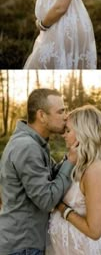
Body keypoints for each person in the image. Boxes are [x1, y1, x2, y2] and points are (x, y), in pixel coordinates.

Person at [0, 88, 78, 255]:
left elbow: (49, 176)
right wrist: (70, 162)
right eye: (60, 111)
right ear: (41, 116)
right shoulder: (28, 147)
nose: (66, 116)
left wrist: (69, 159)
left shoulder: (34, 143)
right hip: (23, 246)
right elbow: (47, 201)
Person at [46, 105, 101, 254]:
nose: (64, 135)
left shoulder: (96, 171)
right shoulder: (75, 162)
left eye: (68, 130)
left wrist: (61, 207)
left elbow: (95, 231)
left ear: (84, 133)